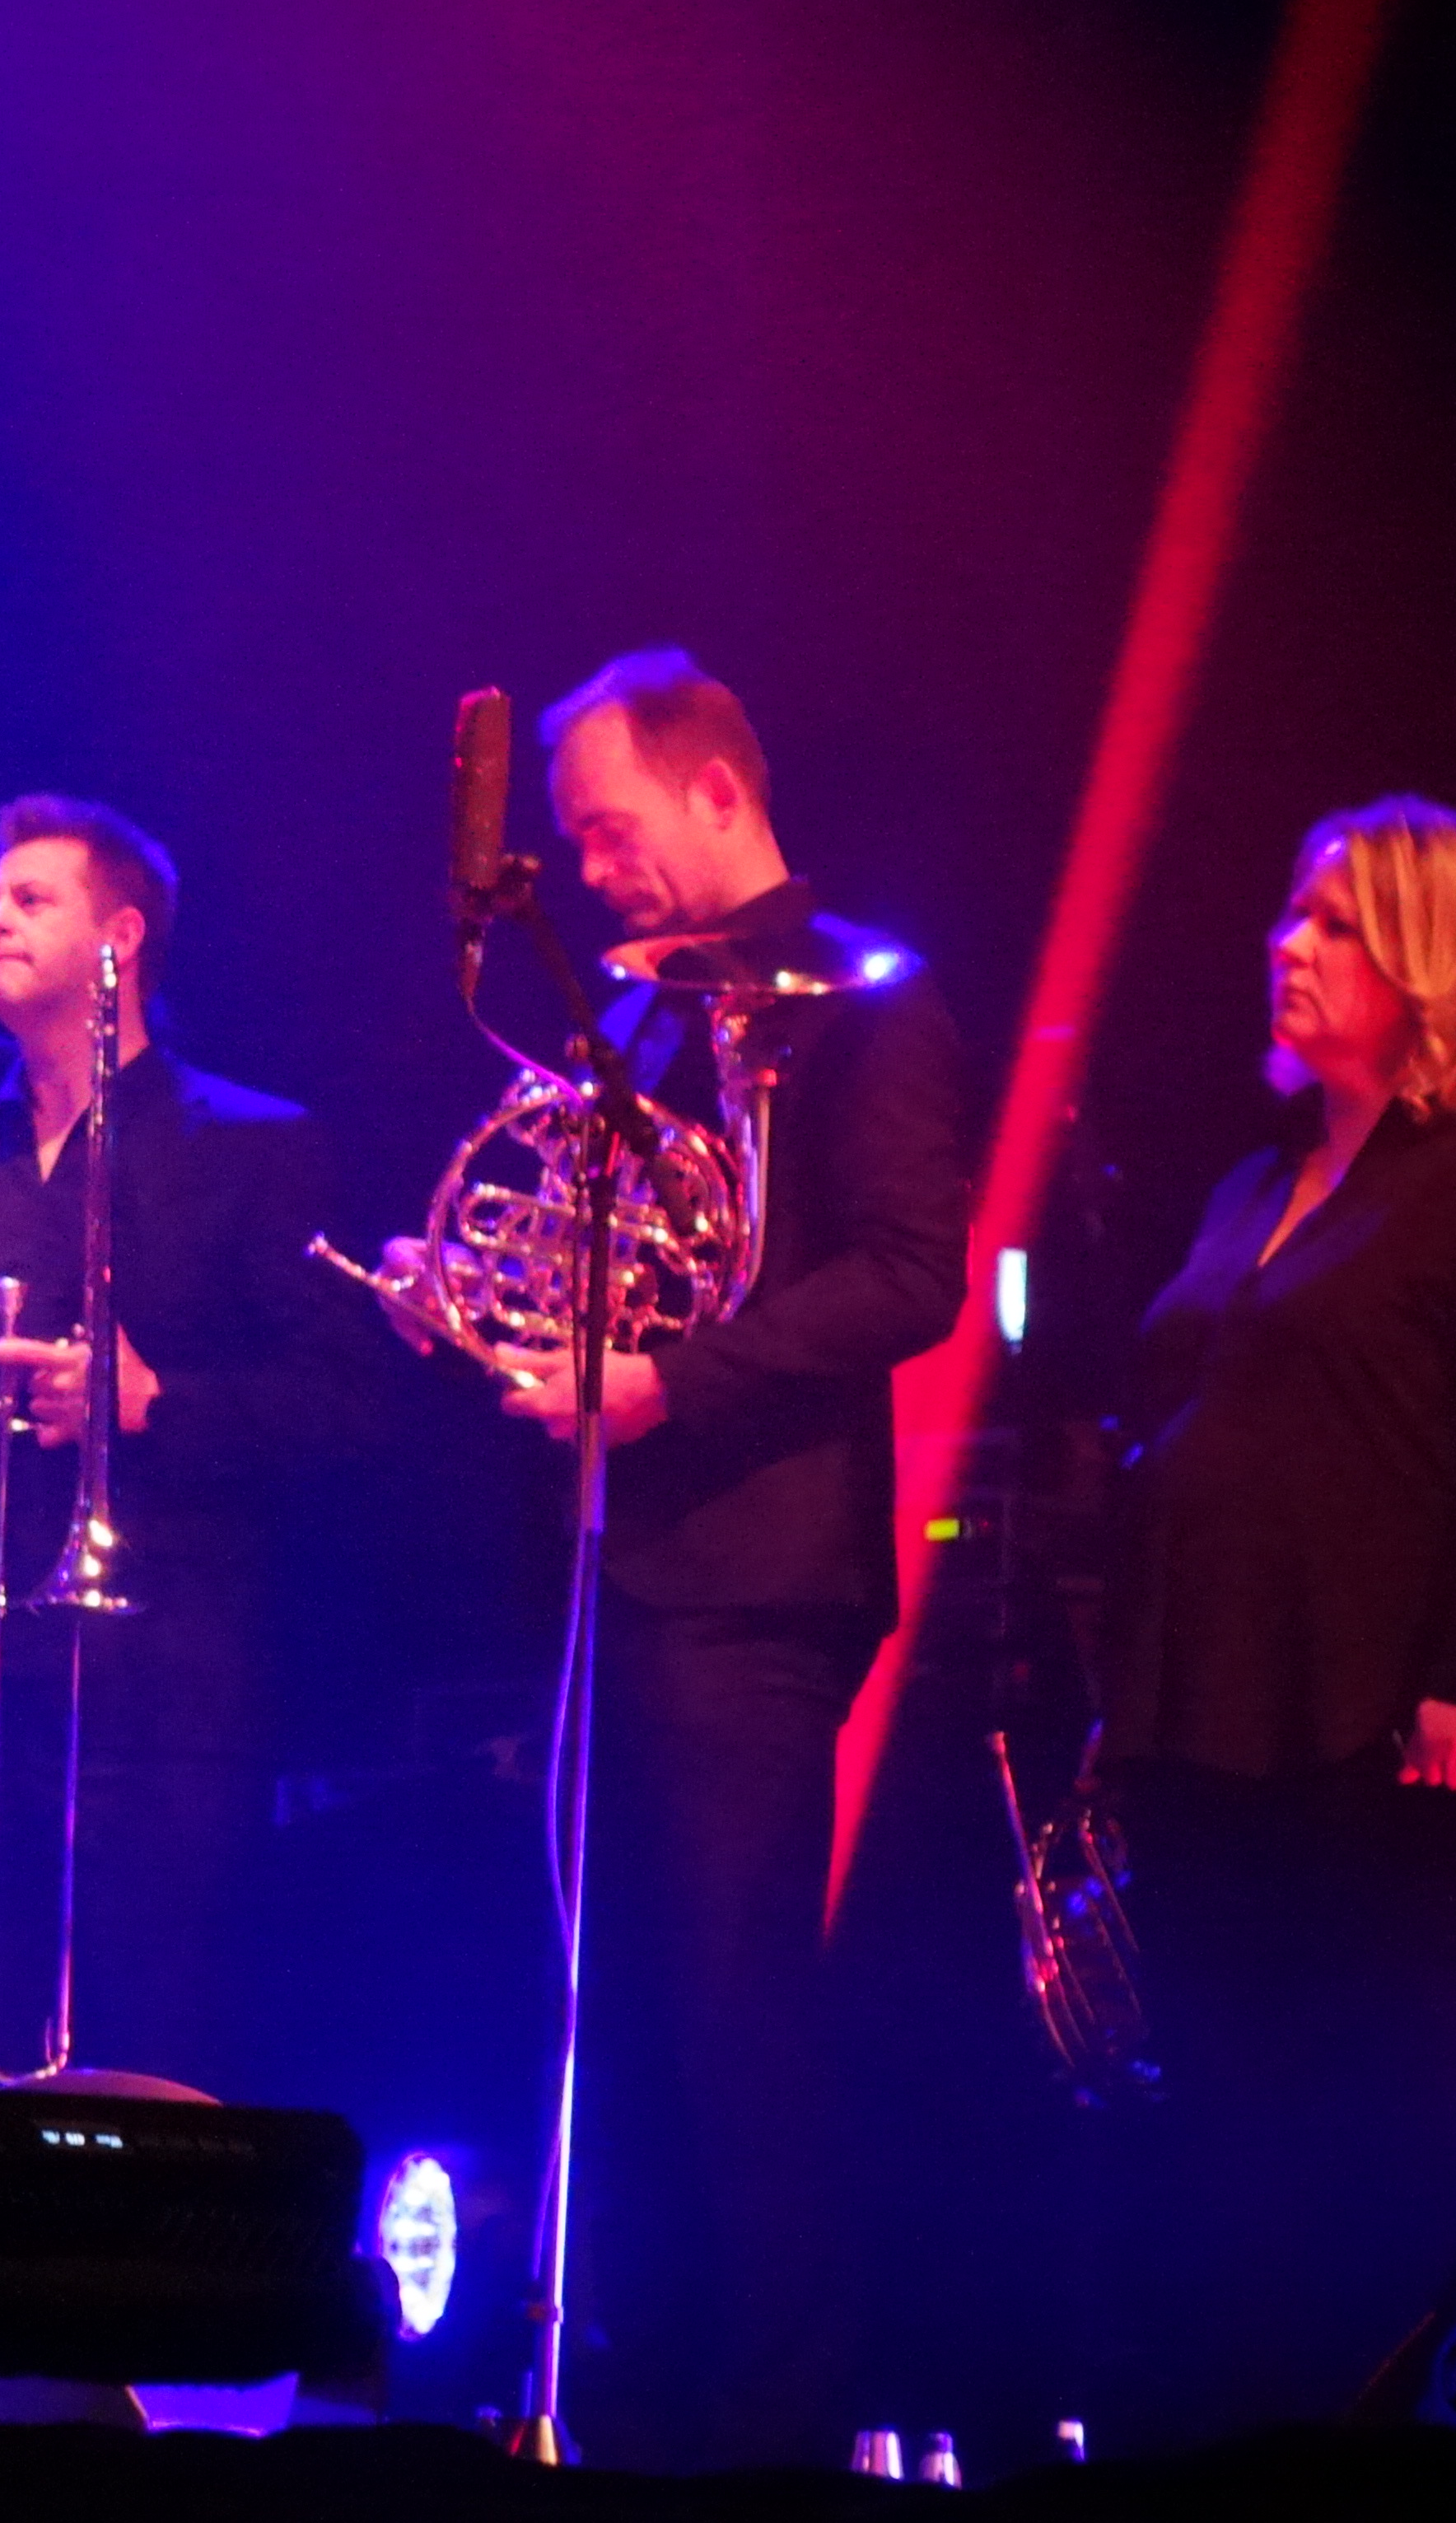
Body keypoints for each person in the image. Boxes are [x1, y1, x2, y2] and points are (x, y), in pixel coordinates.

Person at [370, 649, 966, 2469]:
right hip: (609, 1572)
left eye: (609, 834)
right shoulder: (634, 1016)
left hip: (761, 1586)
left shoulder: (869, 1005)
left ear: (716, 792)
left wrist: (665, 1380)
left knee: (731, 2016)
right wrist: (468, 1313)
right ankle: (617, 2395)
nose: (592, 872)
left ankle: (777, 2423)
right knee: (607, 2016)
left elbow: (909, 1276)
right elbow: (587, 1241)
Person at [1103, 797, 1456, 2439]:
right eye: (1293, 914)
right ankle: (1263, 2424)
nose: (1288, 946)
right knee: (1229, 2096)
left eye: (1336, 924)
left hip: (1393, 1724)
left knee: (1409, 2095)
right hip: (1214, 1718)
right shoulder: (1254, 1180)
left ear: (1431, 961)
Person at [0, 797, 362, 2107]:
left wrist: (155, 1404)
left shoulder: (255, 1147)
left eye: (30, 899)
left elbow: (344, 1403)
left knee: (149, 2070)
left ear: (122, 938)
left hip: (164, 1703)